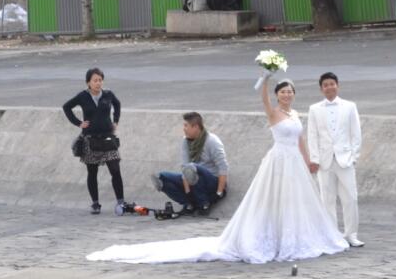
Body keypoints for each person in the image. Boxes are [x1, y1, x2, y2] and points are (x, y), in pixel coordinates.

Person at [87, 76, 348, 264]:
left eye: (290, 91)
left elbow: (300, 141)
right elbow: (264, 98)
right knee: (273, 199)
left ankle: (299, 235)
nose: (287, 95)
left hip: (294, 162)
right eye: (283, 92)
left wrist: (308, 161)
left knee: (297, 202)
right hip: (278, 160)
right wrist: (267, 76)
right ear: (278, 95)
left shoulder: (295, 115)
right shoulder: (274, 113)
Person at [307, 72, 364, 247]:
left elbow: (356, 133)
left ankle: (351, 234)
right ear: (321, 88)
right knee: (327, 199)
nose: (329, 87)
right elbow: (312, 135)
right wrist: (314, 159)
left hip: (345, 158)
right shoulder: (314, 109)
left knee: (351, 198)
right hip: (324, 160)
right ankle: (332, 234)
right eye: (325, 85)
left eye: (332, 84)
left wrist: (354, 156)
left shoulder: (349, 106)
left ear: (337, 85)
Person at [63, 68, 127, 215]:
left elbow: (117, 104)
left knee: (115, 169)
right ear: (88, 83)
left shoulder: (108, 94)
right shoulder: (83, 96)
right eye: (95, 80)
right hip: (90, 140)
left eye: (100, 80)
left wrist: (116, 121)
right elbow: (66, 107)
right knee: (92, 172)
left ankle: (121, 202)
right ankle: (95, 203)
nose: (98, 83)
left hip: (108, 139)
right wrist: (78, 123)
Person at [153, 112, 229, 216]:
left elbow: (223, 168)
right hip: (192, 177)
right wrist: (188, 193)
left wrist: (219, 193)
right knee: (160, 177)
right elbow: (184, 167)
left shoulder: (212, 141)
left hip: (212, 182)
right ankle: (189, 205)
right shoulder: (186, 141)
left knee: (192, 168)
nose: (184, 129)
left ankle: (204, 204)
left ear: (196, 127)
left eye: (186, 126)